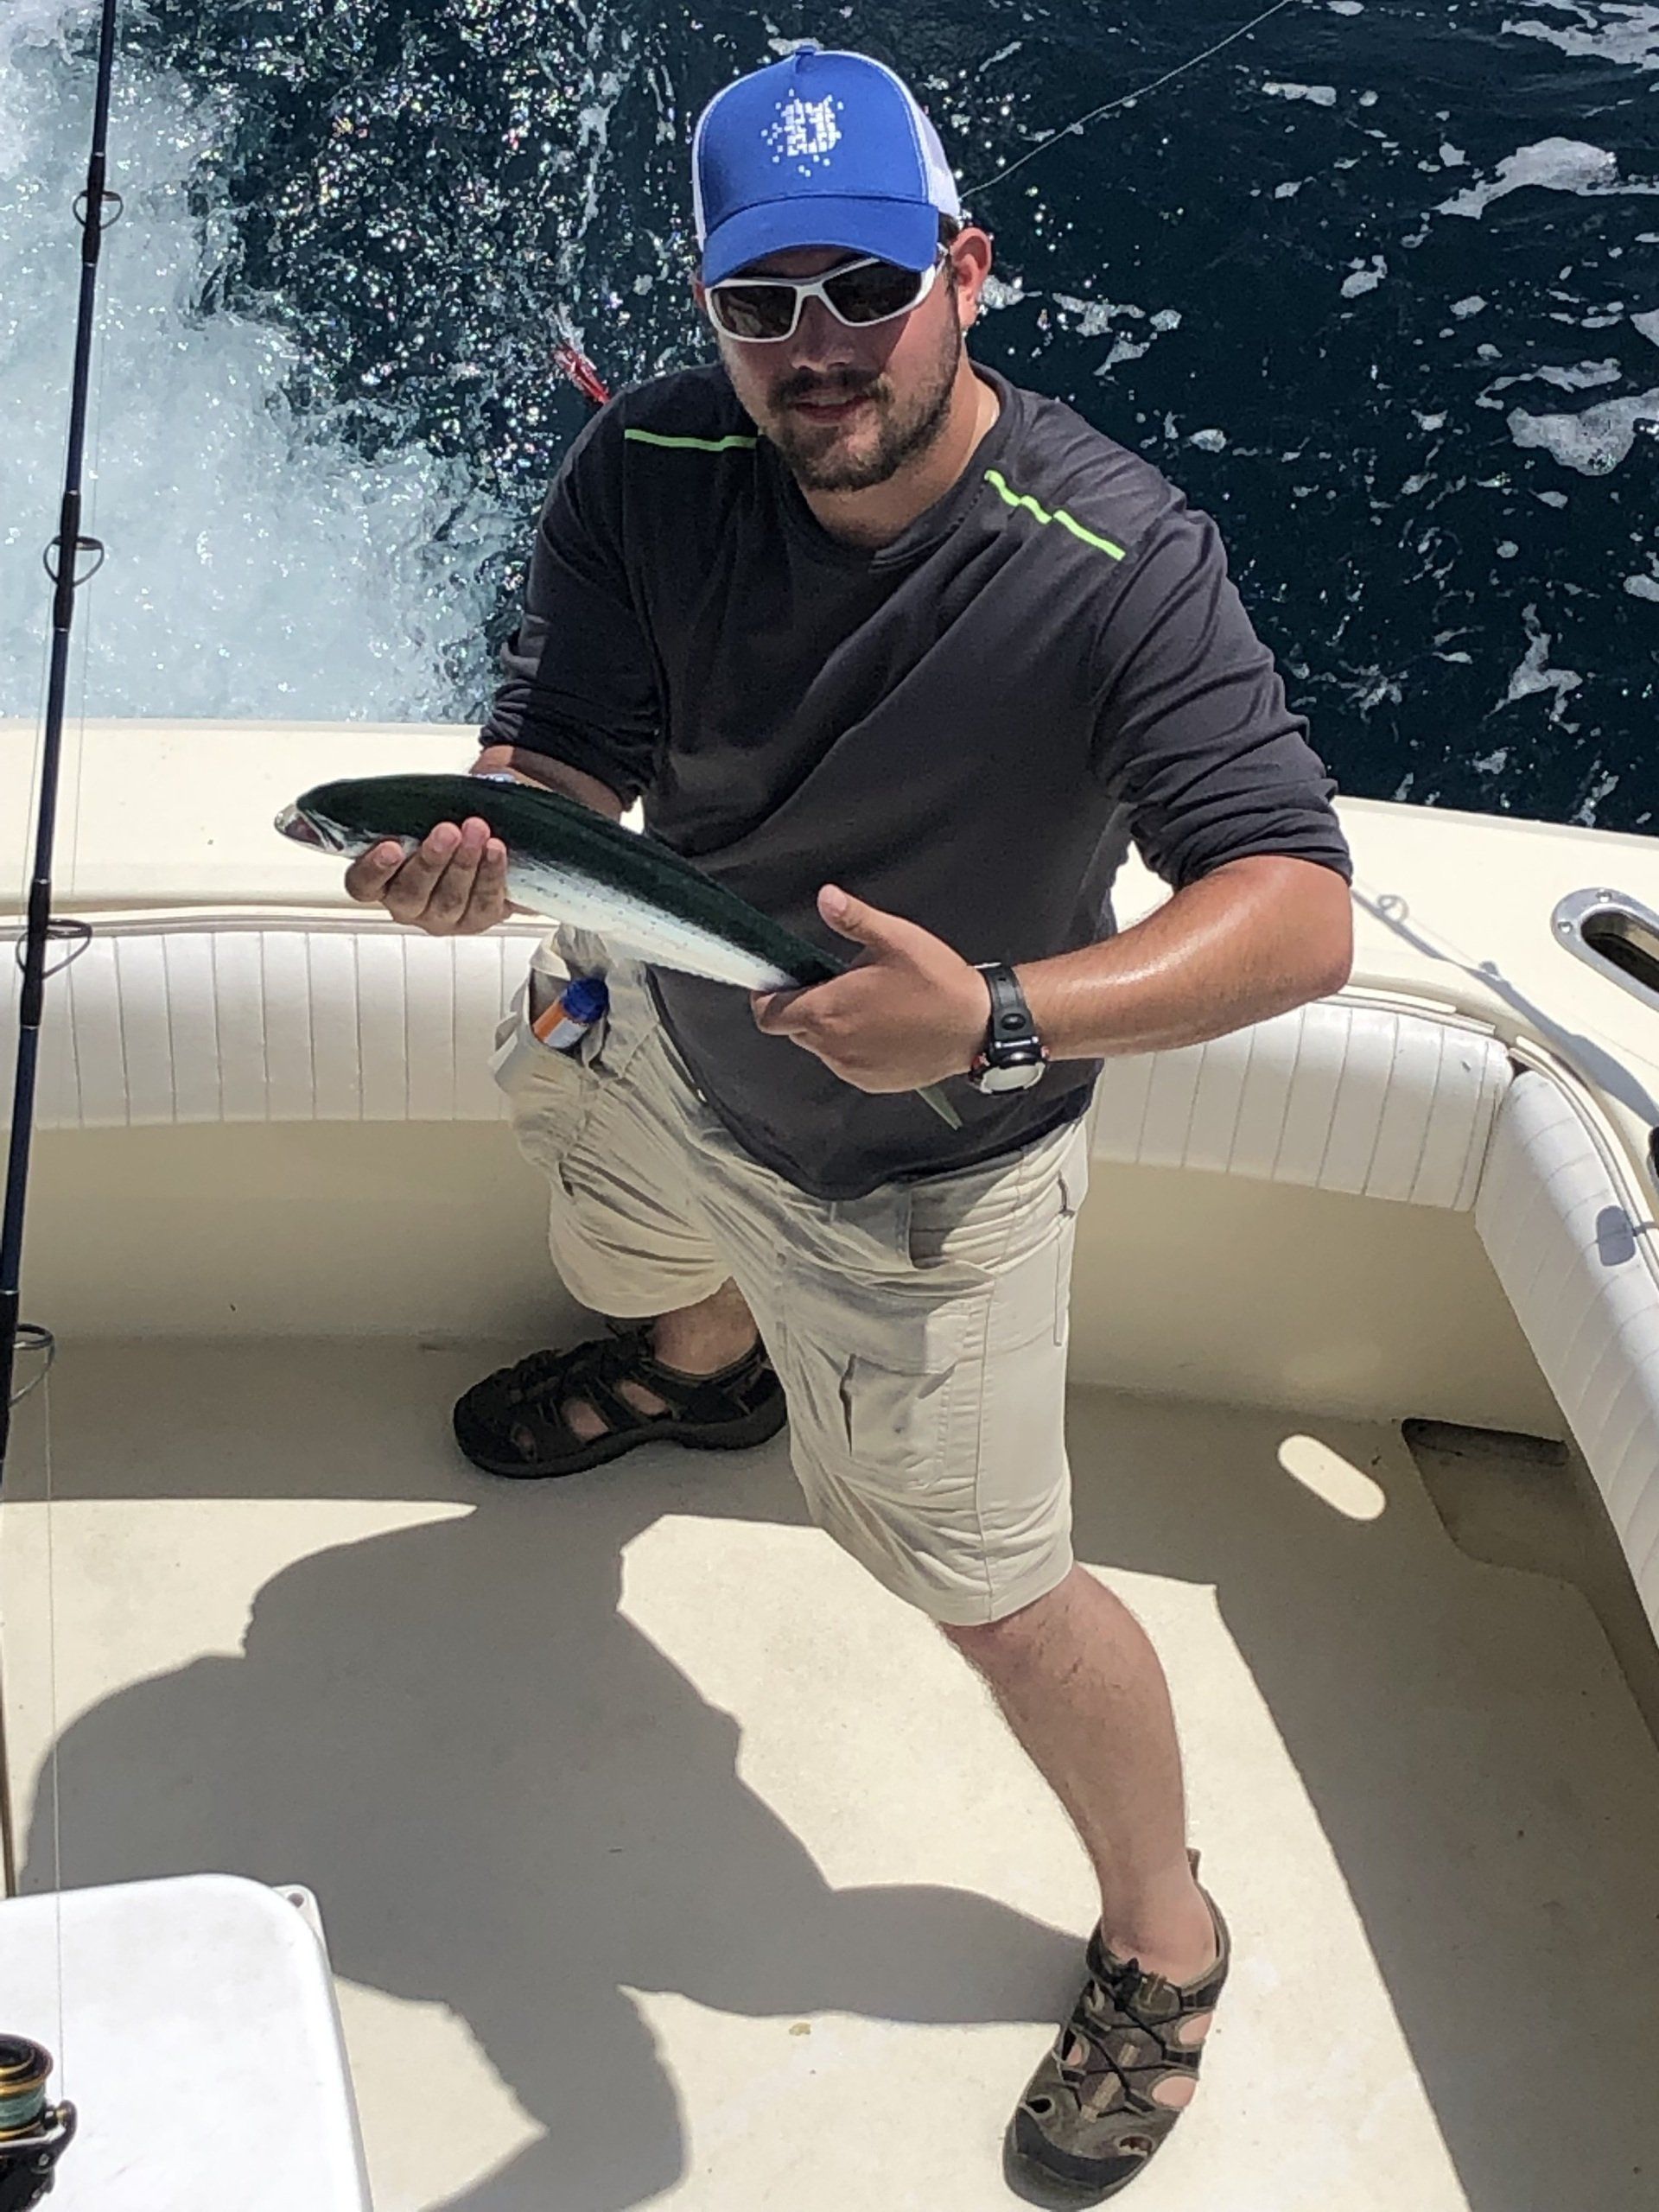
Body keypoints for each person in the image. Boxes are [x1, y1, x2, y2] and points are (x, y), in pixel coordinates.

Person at [346, 41, 1354, 2202]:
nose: (815, 347)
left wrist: (992, 1015)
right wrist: (490, 853)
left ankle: (1165, 1935)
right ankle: (703, 1364)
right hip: (667, 1040)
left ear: (963, 272)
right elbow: (570, 754)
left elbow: (1296, 912)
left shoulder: (1117, 557)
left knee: (992, 1591)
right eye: (761, 300)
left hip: (932, 1174)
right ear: (711, 308)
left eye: (863, 285)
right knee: (625, 1240)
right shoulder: (650, 457)